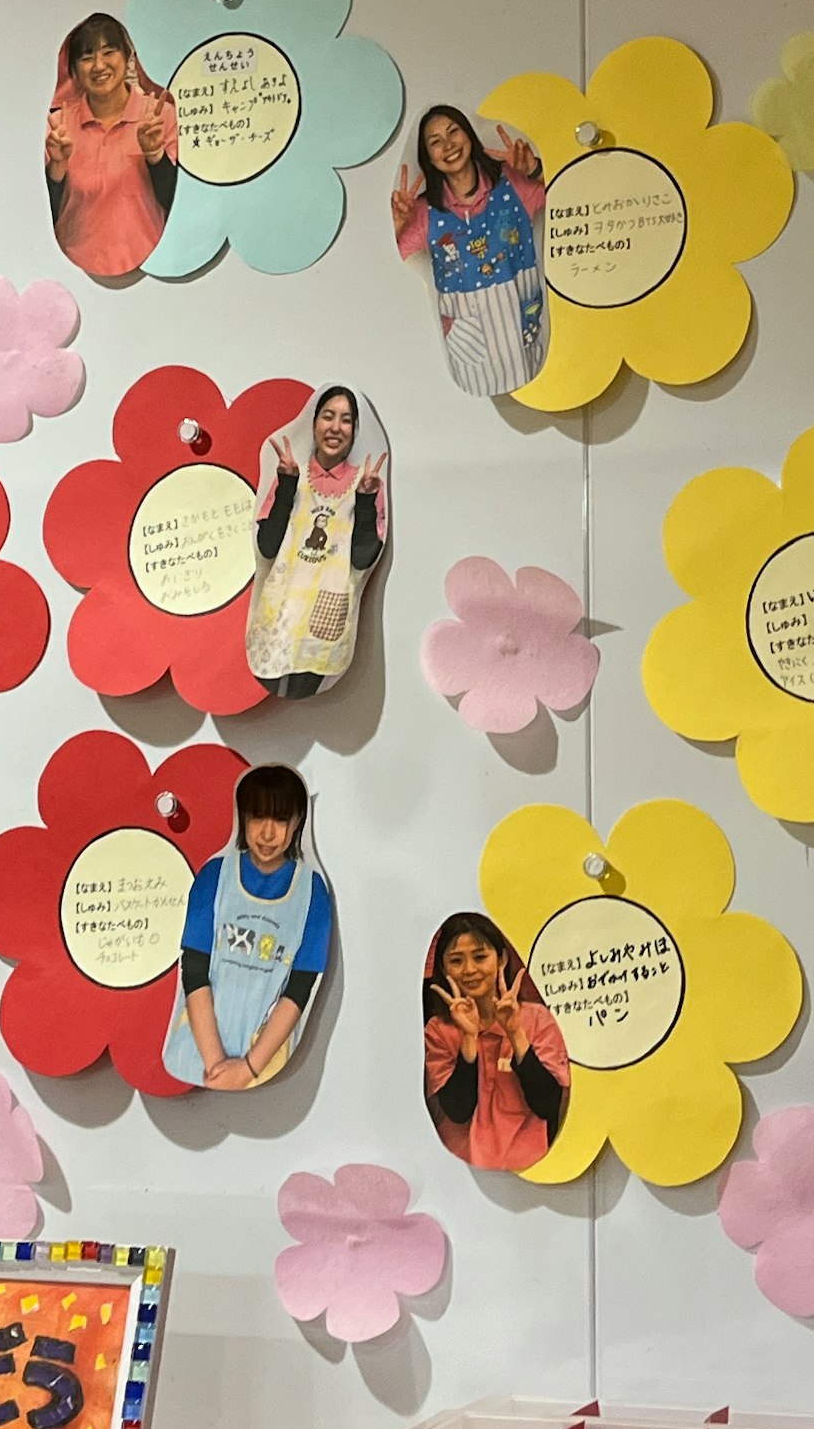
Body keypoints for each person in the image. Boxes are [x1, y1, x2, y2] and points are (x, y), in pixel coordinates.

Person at [163, 762, 337, 1091]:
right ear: (242, 816)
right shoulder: (214, 877)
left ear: (298, 821)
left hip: (265, 1059)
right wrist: (216, 1062)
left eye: (281, 819)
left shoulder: (313, 893)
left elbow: (299, 989)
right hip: (197, 1050)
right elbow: (195, 971)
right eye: (258, 817)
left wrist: (248, 1068)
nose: (268, 833)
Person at [393, 104, 551, 395]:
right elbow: (393, 262)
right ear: (427, 157)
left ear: (469, 135)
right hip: (470, 354)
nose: (448, 145)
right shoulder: (424, 212)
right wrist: (396, 226)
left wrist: (536, 169)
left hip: (527, 338)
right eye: (435, 142)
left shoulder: (512, 185)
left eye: (454, 131)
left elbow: (566, 198)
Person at [247, 386, 388, 699]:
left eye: (346, 420)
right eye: (328, 416)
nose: (336, 427)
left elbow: (363, 559)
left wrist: (366, 500)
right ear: (313, 424)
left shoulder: (364, 481)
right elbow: (267, 547)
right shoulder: (291, 475)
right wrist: (285, 486)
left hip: (326, 620)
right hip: (278, 618)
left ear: (355, 431)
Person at [421, 911, 570, 1173]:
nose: (469, 970)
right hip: (460, 1169)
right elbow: (457, 1111)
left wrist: (515, 1032)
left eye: (480, 957)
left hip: (532, 1164)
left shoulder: (538, 1019)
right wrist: (468, 1038)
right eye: (456, 960)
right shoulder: (438, 1030)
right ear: (444, 968)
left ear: (501, 958)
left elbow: (548, 1105)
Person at [43, 12, 178, 279]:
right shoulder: (58, 124)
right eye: (86, 57)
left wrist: (154, 154)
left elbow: (179, 201)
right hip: (74, 268)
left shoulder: (160, 115)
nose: (98, 65)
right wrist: (56, 166)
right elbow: (43, 210)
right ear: (72, 69)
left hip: (152, 264)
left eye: (109, 52)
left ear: (128, 57)